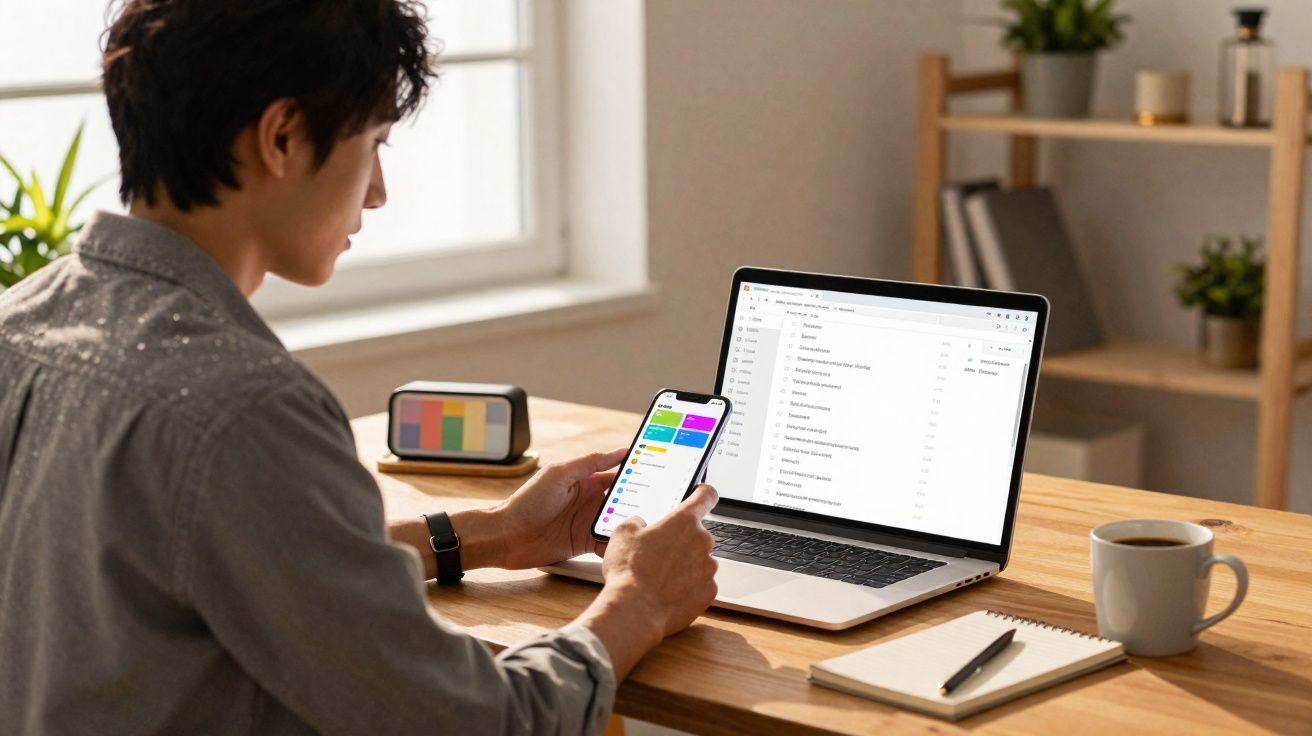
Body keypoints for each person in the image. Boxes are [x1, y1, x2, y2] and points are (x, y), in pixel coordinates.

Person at [0, 1, 719, 733]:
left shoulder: (18, 325)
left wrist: (498, 533)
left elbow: (254, 570)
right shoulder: (246, 407)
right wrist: (639, 601)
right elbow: (476, 724)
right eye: (373, 143)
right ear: (281, 137)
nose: (378, 192)